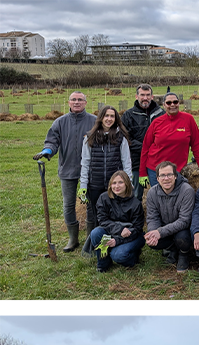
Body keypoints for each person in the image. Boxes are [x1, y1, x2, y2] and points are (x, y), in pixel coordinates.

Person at [33, 91, 96, 252]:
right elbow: (52, 141)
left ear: (85, 103)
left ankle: (90, 238)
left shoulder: (94, 121)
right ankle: (73, 239)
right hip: (67, 170)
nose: (76, 102)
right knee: (68, 204)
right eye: (73, 100)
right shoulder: (59, 122)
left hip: (89, 171)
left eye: (80, 100)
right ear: (68, 103)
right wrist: (47, 151)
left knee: (90, 204)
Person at [79, 105, 131, 254]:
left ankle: (111, 245)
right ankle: (92, 247)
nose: (109, 119)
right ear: (100, 118)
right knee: (96, 216)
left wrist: (129, 184)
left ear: (116, 119)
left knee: (112, 217)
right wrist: (83, 185)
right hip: (94, 184)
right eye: (106, 116)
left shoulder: (121, 137)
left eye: (112, 116)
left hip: (114, 186)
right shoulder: (90, 137)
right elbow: (85, 163)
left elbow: (126, 163)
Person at [138, 92, 199, 190]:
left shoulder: (188, 119)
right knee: (159, 199)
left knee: (176, 199)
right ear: (164, 105)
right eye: (169, 103)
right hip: (155, 169)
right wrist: (142, 173)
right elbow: (145, 147)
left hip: (176, 170)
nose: (172, 105)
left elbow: (197, 144)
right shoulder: (156, 122)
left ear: (179, 103)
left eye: (175, 102)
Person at [88, 171, 144, 272]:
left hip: (132, 235)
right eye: (114, 183)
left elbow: (137, 228)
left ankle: (133, 257)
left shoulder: (135, 203)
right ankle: (103, 263)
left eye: (120, 182)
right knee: (96, 233)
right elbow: (102, 220)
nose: (116, 186)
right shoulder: (104, 198)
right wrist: (120, 229)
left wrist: (118, 241)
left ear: (127, 184)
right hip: (114, 231)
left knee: (118, 255)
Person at [145, 161, 195, 273]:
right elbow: (152, 217)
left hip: (183, 229)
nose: (166, 178)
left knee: (182, 237)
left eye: (169, 175)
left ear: (175, 176)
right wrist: (153, 233)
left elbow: (185, 220)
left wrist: (160, 232)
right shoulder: (152, 193)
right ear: (157, 178)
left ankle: (184, 254)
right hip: (164, 227)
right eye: (162, 175)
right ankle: (172, 249)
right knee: (151, 239)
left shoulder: (186, 190)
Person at [122, 84, 164, 203]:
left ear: (152, 96)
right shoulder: (128, 115)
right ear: (136, 96)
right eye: (142, 95)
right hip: (136, 160)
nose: (145, 98)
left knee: (160, 191)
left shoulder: (161, 113)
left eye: (147, 95)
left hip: (158, 159)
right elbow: (125, 138)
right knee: (135, 193)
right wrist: (145, 148)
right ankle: (136, 218)